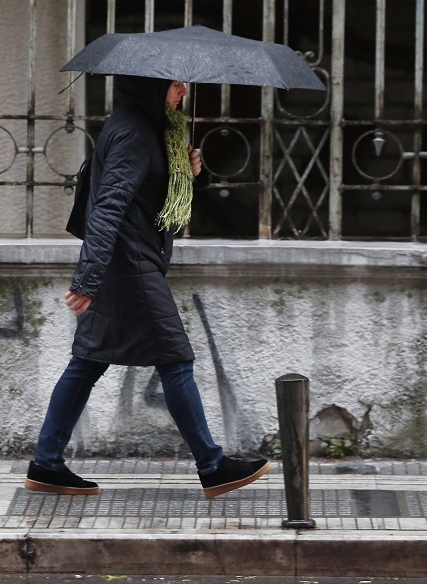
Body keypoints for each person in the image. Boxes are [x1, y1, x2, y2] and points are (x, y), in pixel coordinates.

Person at [24, 75, 271, 499]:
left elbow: (151, 196)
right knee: (175, 358)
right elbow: (109, 206)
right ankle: (213, 466)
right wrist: (88, 278)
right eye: (175, 85)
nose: (183, 93)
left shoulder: (152, 130)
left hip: (129, 260)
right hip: (128, 265)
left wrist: (194, 174)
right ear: (149, 86)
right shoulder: (134, 133)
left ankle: (46, 463)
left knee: (87, 361)